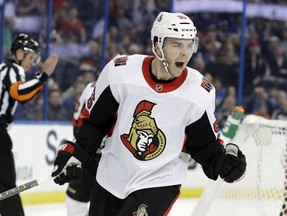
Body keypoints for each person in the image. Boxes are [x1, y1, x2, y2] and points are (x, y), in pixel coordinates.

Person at [51, 12, 247, 216]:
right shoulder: (120, 73)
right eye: (177, 45)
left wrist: (223, 163)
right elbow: (94, 123)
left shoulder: (198, 92)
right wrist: (76, 154)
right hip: (111, 177)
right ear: (157, 45)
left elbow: (205, 145)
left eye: (189, 45)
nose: (185, 53)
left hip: (159, 182)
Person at [0, 33, 58, 216]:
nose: (32, 62)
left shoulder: (2, 69)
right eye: (30, 57)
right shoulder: (13, 69)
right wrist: (44, 76)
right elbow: (19, 93)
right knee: (7, 187)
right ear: (18, 53)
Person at [65, 81, 104, 216]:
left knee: (106, 207)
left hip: (111, 160)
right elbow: (77, 122)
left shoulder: (132, 91)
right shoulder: (91, 87)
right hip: (87, 156)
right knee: (74, 202)